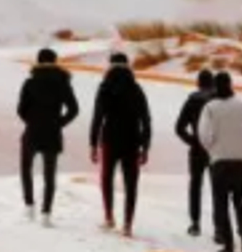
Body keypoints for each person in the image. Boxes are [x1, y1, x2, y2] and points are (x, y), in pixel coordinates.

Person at [196, 72, 242, 252]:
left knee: (221, 202)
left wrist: (213, 149)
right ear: (231, 84)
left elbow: (204, 134)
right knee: (239, 200)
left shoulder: (210, 108)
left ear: (215, 87)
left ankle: (229, 245)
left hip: (220, 159)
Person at [90, 52, 152, 236]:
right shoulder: (136, 89)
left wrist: (93, 144)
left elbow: (97, 118)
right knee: (131, 183)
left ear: (110, 66)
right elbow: (146, 120)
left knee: (106, 178)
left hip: (109, 139)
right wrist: (145, 146)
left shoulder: (104, 88)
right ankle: (127, 225)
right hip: (132, 140)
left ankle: (109, 218)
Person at [16, 48, 79, 223]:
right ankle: (46, 213)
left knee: (25, 168)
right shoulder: (63, 82)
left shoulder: (30, 83)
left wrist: (32, 121)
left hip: (32, 132)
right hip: (52, 133)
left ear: (38, 61)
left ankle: (29, 206)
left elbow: (20, 109)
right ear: (55, 61)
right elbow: (74, 110)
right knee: (49, 174)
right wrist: (58, 123)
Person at [174, 70, 217, 236]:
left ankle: (195, 223)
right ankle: (219, 228)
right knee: (217, 189)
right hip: (215, 148)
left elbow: (179, 127)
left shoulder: (192, 100)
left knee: (195, 186)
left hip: (197, 148)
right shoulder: (218, 101)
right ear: (212, 83)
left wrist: (192, 140)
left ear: (198, 83)